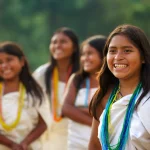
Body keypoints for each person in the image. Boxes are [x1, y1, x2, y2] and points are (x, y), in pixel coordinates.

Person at [88, 24, 150, 150]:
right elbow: (94, 145)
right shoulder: (104, 96)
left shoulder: (147, 98)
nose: (118, 57)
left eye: (127, 50)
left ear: (143, 57)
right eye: (112, 51)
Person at [33, 27, 80, 150]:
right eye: (54, 42)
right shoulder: (42, 73)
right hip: (47, 135)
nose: (57, 46)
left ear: (75, 47)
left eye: (63, 42)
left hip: (75, 134)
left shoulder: (81, 74)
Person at [0, 41, 50, 150]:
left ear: (22, 61)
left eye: (9, 60)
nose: (4, 65)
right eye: (0, 62)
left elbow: (43, 123)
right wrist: (11, 144)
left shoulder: (34, 91)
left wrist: (24, 143)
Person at [62, 35, 107, 150]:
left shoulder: (112, 82)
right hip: (75, 142)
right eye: (83, 54)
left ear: (103, 55)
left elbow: (110, 113)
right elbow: (66, 109)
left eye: (90, 54)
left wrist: (79, 110)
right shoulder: (77, 79)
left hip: (103, 142)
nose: (85, 58)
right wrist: (96, 123)